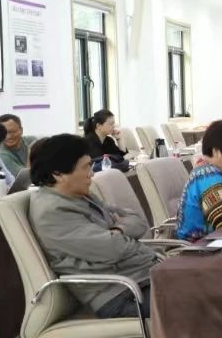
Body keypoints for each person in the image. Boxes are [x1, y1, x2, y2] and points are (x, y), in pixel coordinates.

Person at [27, 134, 160, 318]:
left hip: (141, 278)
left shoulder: (81, 196)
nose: (92, 173)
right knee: (193, 301)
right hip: (121, 294)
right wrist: (125, 238)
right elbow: (113, 249)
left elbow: (138, 220)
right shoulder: (52, 211)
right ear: (58, 174)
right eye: (86, 167)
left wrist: (119, 230)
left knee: (198, 286)